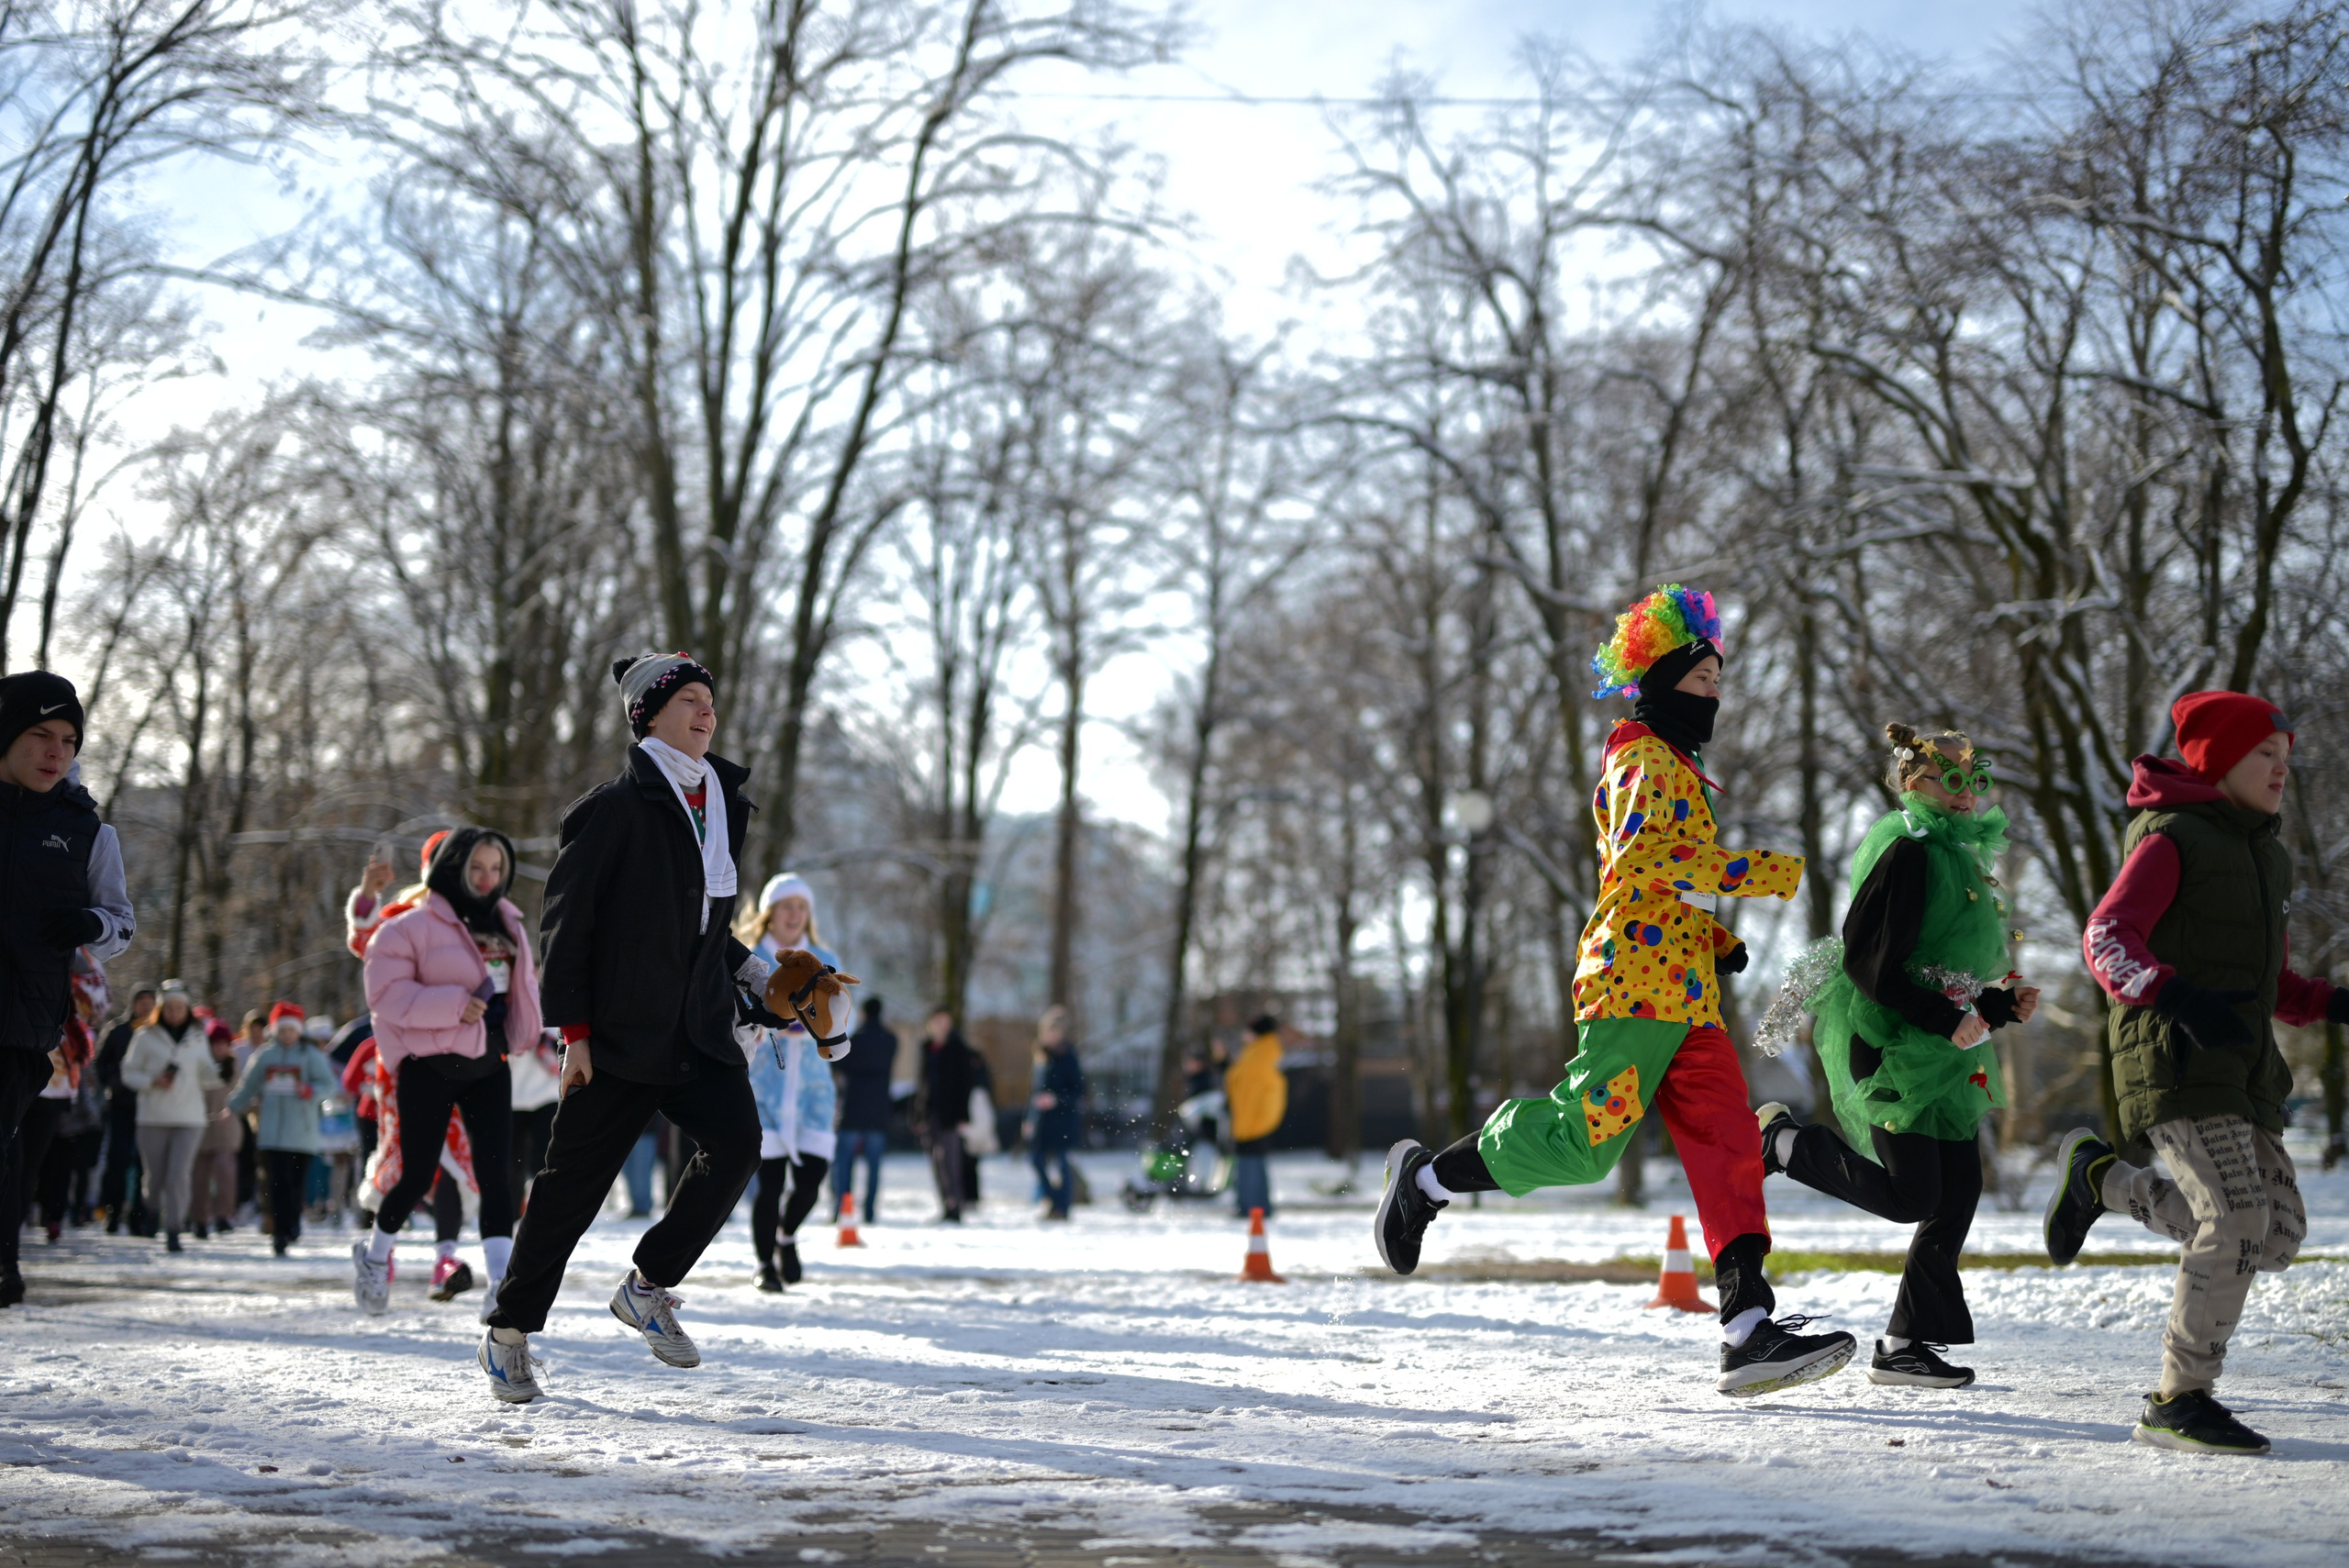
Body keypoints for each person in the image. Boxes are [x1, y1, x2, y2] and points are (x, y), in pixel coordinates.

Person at [1374, 585, 1855, 1398]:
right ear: (1666, 679)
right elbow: (1643, 863)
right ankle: (1424, 1182)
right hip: (1632, 988)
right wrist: (1765, 873)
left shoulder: (1684, 769)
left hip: (1688, 995)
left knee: (1729, 1147)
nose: (1716, 696)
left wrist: (1719, 941)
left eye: (1719, 683)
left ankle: (1748, 1328)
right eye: (1705, 681)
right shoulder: (1636, 757)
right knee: (1581, 1145)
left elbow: (1672, 893)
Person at [2044, 692, 2345, 1455]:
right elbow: (2106, 935)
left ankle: (2103, 1183)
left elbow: (2270, 984)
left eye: (2285, 757)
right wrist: (2173, 993)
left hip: (2244, 1071)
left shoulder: (2264, 855)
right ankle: (2180, 1396)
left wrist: (2334, 1001)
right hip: (2172, 1057)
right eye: (2263, 756)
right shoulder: (2171, 838)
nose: (2281, 770)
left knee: (2274, 1236)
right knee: (2237, 1221)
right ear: (2217, 761)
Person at [478, 653, 771, 1403]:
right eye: (692, 701)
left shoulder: (722, 805)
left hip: (696, 1032)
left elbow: (703, 925)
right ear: (649, 715)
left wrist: (757, 975)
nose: (707, 713)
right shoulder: (610, 807)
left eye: (712, 701)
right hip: (614, 1035)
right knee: (570, 1192)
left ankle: (649, 1284)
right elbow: (566, 929)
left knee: (737, 1143)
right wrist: (573, 1032)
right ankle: (509, 1332)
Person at [1754, 725, 2040, 1389]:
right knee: (1914, 1194)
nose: (1967, 794)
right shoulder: (1908, 850)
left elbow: (1949, 969)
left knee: (1959, 1189)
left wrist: (1998, 1003)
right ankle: (1786, 1144)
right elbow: (1869, 963)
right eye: (1950, 778)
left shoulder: (1959, 858)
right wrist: (1949, 1017)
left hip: (1938, 1053)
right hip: (1888, 1045)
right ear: (1912, 780)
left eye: (1976, 778)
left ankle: (1905, 1342)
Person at [355, 828, 537, 1315]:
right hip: (428, 1067)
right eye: (476, 867)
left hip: (489, 1063)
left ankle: (501, 1284)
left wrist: (531, 1027)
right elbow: (384, 994)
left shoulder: (508, 923)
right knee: (416, 1176)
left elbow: (520, 987)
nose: (487, 878)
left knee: (496, 1176)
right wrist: (455, 1005)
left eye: (496, 868)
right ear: (451, 866)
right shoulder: (408, 925)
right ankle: (375, 1257)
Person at [0, 671, 134, 1303]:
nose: (57, 751)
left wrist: (91, 921)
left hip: (24, 1021)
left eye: (69, 739)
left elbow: (120, 924)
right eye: (40, 734)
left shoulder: (87, 831)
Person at [740, 873, 842, 1292]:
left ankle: (787, 1236)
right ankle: (765, 1263)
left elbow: (838, 1013)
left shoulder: (823, 956)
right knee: (772, 1180)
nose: (794, 915)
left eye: (801, 907)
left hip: (813, 1086)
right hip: (766, 1084)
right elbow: (737, 1014)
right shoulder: (750, 958)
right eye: (787, 907)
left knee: (814, 1175)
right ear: (770, 913)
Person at [228, 1002, 341, 1255]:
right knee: (276, 1183)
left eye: (291, 1030)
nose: (287, 1035)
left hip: (302, 1133)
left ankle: (292, 1223)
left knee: (295, 1183)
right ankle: (279, 1232)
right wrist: (231, 1107)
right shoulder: (265, 1055)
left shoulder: (311, 1055)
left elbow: (329, 1086)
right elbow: (249, 1085)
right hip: (271, 1132)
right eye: (283, 1030)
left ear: (299, 1031)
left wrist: (310, 1091)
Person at [118, 980, 212, 1253]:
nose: (174, 1013)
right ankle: (151, 1209)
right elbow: (129, 1073)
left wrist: (223, 1069)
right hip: (153, 1117)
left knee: (178, 1175)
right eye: (169, 1008)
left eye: (179, 1007)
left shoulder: (198, 1035)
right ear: (161, 1008)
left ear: (188, 1008)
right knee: (156, 1177)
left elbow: (206, 1073)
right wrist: (152, 1081)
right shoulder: (145, 1036)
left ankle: (174, 1228)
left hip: (190, 1117)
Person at [94, 985, 154, 1234]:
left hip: (151, 1108)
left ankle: (139, 1216)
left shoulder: (159, 1033)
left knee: (145, 1165)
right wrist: (115, 1082)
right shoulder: (118, 1031)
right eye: (142, 1001)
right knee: (117, 1161)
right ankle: (113, 1212)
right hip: (121, 1106)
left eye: (151, 1001)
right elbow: (101, 1064)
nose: (146, 1006)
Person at [833, 997, 896, 1223]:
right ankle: (869, 1211)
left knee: (844, 1165)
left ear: (863, 1014)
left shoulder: (854, 1041)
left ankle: (842, 1208)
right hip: (878, 1110)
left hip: (852, 1109)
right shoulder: (890, 1040)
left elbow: (837, 1063)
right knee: (874, 1166)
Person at [917, 1006, 978, 1223]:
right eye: (938, 1020)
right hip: (929, 1112)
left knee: (950, 1160)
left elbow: (966, 1084)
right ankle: (945, 1203)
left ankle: (956, 1206)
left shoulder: (958, 1048)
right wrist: (918, 1113)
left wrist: (963, 1114)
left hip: (951, 1113)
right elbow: (922, 1083)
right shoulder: (926, 1047)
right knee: (935, 1161)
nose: (942, 1025)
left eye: (945, 1020)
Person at [1225, 1016, 1286, 1219]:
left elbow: (1239, 1085)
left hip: (1251, 1122)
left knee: (1248, 1165)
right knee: (1255, 1164)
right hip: (1258, 1120)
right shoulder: (1262, 1053)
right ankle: (1260, 1207)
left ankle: (1249, 1207)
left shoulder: (1256, 1056)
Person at [1028, 1006, 1085, 1221]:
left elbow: (1078, 1091)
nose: (1051, 1035)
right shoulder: (1040, 1056)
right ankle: (1053, 1201)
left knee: (1061, 1163)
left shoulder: (1068, 1057)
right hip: (1042, 1120)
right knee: (1036, 1159)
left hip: (1063, 1120)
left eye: (1055, 1031)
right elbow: (1033, 1092)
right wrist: (1029, 1118)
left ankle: (1062, 1208)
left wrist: (1056, 1100)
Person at [190, 1021, 243, 1238]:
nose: (220, 1048)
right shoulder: (200, 1066)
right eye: (216, 1044)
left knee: (225, 1172)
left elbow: (243, 1093)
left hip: (227, 1127)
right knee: (199, 1177)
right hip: (201, 1127)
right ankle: (200, 1219)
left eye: (224, 1044)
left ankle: (223, 1215)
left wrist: (234, 1109)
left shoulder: (235, 1067)